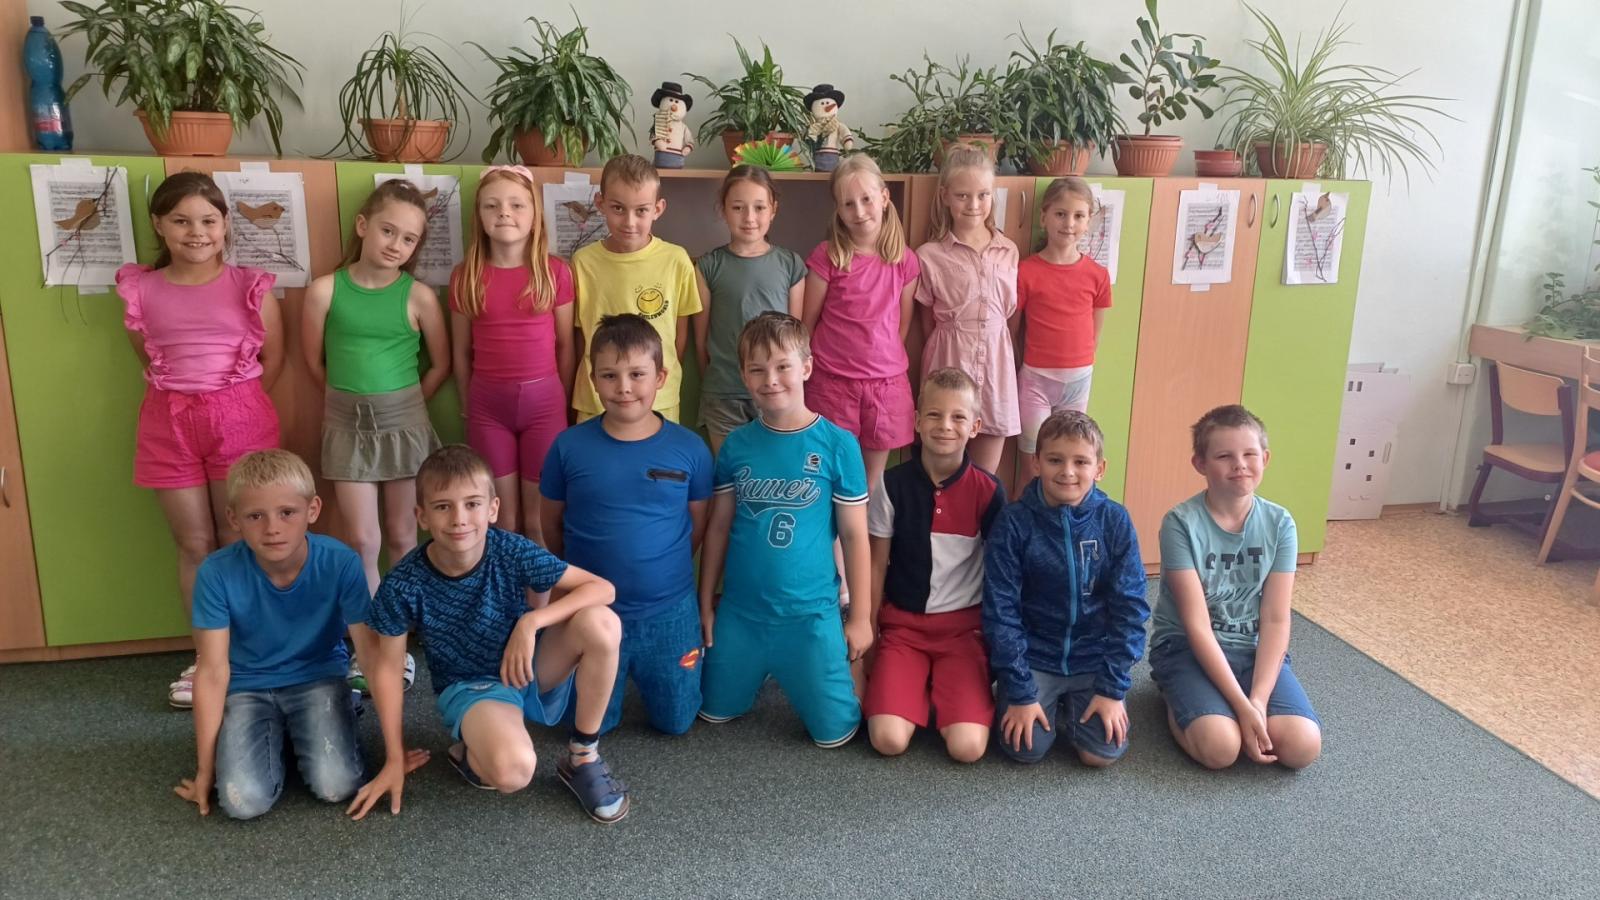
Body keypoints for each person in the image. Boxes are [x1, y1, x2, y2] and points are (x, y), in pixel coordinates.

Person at [352, 445, 631, 824]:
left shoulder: (510, 549)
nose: (459, 519)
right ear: (421, 516)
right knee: (514, 771)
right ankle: (469, 752)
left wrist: (531, 623)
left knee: (602, 623)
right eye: (443, 506)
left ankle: (583, 757)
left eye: (472, 504)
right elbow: (387, 669)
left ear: (493, 509)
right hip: (472, 686)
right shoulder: (404, 583)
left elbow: (603, 589)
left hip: (526, 663)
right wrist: (394, 756)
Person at [176, 450, 423, 819]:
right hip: (248, 686)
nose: (272, 528)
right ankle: (283, 733)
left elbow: (371, 657)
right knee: (242, 803)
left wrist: (394, 755)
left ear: (312, 510)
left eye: (287, 513)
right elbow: (212, 671)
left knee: (337, 786)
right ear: (234, 519)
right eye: (255, 516)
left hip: (318, 678)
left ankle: (333, 713)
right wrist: (205, 770)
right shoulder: (216, 573)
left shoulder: (340, 562)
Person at [115, 171, 284, 708]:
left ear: (226, 223)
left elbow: (273, 358)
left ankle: (251, 654)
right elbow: (146, 354)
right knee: (194, 545)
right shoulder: (141, 289)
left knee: (243, 540)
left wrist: (231, 404)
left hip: (241, 416)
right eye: (181, 221)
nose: (196, 232)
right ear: (159, 225)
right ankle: (207, 658)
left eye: (209, 220)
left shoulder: (249, 286)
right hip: (168, 421)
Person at [697, 313, 872, 747]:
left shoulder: (838, 445)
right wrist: (705, 604)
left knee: (834, 733)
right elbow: (718, 529)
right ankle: (758, 668)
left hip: (810, 615)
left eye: (782, 366)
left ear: (806, 367)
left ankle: (835, 668)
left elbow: (854, 537)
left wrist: (861, 617)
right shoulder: (736, 445)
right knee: (712, 712)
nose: (770, 380)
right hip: (741, 613)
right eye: (757, 370)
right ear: (744, 376)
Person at [541, 314, 712, 735]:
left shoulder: (691, 448)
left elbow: (697, 526)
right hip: (592, 613)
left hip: (670, 611)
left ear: (660, 377)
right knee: (591, 724)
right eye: (609, 375)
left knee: (677, 723)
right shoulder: (568, 446)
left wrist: (659, 569)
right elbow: (551, 523)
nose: (624, 387)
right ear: (592, 380)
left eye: (637, 374)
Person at [1148, 404, 1323, 770]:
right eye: (1224, 456)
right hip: (1187, 648)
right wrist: (1242, 708)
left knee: (1302, 747)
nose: (1239, 465)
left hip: (1252, 648)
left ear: (1265, 458)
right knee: (1221, 749)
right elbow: (1196, 625)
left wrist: (1257, 700)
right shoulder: (1180, 523)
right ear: (1200, 464)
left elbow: (1275, 618)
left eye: (1249, 454)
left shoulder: (1280, 523)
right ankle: (1177, 700)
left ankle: (1228, 704)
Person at [302, 179, 449, 595]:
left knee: (403, 536)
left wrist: (404, 406)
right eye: (388, 231)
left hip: (405, 425)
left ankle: (401, 626)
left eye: (408, 239)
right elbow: (313, 363)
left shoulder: (419, 296)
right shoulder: (325, 290)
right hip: (346, 427)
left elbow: (442, 365)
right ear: (363, 225)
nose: (395, 245)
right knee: (363, 541)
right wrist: (347, 402)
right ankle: (371, 628)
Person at [983, 410, 1148, 767]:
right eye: (1055, 460)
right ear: (1036, 462)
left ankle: (1073, 704)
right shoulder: (1014, 522)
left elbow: (1131, 608)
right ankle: (1040, 699)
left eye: (1081, 462)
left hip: (1093, 657)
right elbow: (1001, 609)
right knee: (1024, 749)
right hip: (1035, 657)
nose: (1068, 471)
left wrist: (1112, 688)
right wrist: (1021, 690)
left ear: (1099, 468)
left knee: (1100, 754)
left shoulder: (1114, 520)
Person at [865, 368, 1004, 763]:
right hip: (903, 630)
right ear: (916, 421)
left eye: (958, 417)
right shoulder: (891, 485)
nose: (945, 426)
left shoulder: (989, 491)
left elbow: (1001, 576)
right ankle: (915, 689)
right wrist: (869, 633)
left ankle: (938, 690)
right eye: (934, 415)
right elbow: (876, 565)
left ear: (974, 427)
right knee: (888, 740)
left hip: (963, 633)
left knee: (968, 748)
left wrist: (997, 644)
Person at [450, 164, 575, 542]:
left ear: (535, 215)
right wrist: (467, 406)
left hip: (545, 407)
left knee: (539, 522)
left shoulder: (555, 272)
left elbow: (566, 345)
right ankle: (504, 584)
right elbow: (460, 352)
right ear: (479, 215)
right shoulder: (465, 276)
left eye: (517, 205)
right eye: (492, 205)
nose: (504, 213)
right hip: (488, 409)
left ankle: (542, 585)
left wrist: (564, 403)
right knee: (502, 521)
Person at [800, 153, 920, 490]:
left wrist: (878, 361)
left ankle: (864, 527)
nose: (859, 211)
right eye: (848, 204)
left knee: (871, 482)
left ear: (884, 197)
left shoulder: (905, 261)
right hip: (832, 383)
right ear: (838, 211)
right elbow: (807, 323)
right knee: (831, 475)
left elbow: (902, 326)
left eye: (866, 199)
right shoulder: (827, 256)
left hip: (885, 385)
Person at [913, 147, 1020, 479]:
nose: (974, 204)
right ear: (945, 195)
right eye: (962, 195)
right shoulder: (929, 255)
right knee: (942, 470)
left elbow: (1010, 315)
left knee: (985, 478)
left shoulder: (1008, 250)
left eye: (983, 195)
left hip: (997, 368)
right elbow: (927, 320)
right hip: (950, 359)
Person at [569, 154, 701, 423]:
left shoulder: (676, 260)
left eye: (641, 210)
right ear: (600, 204)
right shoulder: (582, 263)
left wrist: (657, 380)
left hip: (659, 399)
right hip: (596, 399)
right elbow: (580, 336)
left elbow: (679, 336)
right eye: (618, 208)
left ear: (658, 209)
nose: (629, 222)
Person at [692, 165, 807, 453]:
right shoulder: (708, 266)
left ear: (773, 209)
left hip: (776, 391)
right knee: (729, 472)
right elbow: (701, 341)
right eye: (738, 207)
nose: (749, 218)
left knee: (775, 469)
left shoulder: (790, 265)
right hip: (724, 395)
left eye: (759, 207)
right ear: (723, 209)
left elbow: (795, 340)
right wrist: (718, 384)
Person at [1010, 177, 1112, 492]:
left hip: (1078, 382)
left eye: (1078, 216)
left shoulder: (1097, 275)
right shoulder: (1026, 271)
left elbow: (1095, 334)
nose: (1069, 223)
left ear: (1089, 221)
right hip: (1036, 382)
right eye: (1060, 214)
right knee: (1033, 467)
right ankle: (1023, 518)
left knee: (1068, 465)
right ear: (1044, 217)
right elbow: (1013, 331)